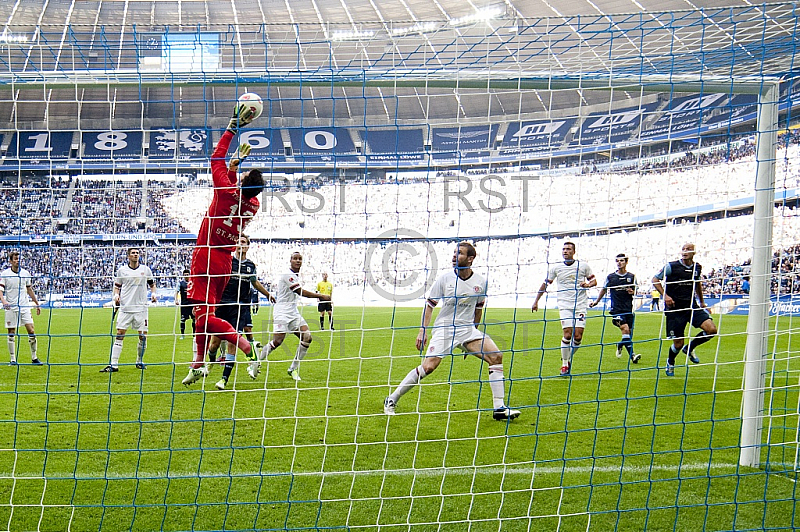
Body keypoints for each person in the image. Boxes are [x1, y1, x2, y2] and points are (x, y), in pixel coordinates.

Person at [383, 242, 520, 421]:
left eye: (460, 253)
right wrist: (422, 331)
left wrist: (473, 335)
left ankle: (499, 408)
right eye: (454, 253)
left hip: (467, 330)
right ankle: (391, 399)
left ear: (470, 259)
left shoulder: (481, 282)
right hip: (445, 330)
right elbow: (430, 306)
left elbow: (478, 309)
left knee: (496, 356)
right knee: (428, 367)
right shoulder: (445, 279)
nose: (455, 256)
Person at [181, 103, 265, 386]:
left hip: (205, 258)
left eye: (240, 178)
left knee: (204, 319)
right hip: (225, 263)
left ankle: (246, 346)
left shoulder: (226, 192)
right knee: (201, 316)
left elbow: (215, 157)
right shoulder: (253, 205)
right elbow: (236, 194)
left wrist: (232, 129)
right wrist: (233, 171)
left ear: (241, 184)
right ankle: (198, 365)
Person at [248, 252, 330, 382]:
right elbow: (300, 291)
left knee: (307, 337)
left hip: (293, 312)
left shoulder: (296, 276)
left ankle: (293, 369)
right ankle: (256, 361)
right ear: (290, 260)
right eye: (295, 258)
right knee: (278, 341)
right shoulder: (288, 275)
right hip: (282, 312)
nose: (297, 261)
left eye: (300, 259)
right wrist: (321, 296)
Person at [207, 235, 274, 390]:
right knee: (214, 344)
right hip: (222, 306)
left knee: (232, 342)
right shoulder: (227, 262)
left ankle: (224, 379)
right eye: (238, 242)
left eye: (243, 242)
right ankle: (210, 362)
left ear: (248, 246)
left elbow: (254, 282)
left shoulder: (250, 265)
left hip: (239, 308)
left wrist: (267, 294)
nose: (240, 244)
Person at [652, 243, 718, 377]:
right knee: (678, 343)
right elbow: (655, 279)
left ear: (694, 252)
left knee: (711, 330)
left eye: (688, 249)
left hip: (691, 306)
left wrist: (702, 302)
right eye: (683, 249)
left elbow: (697, 284)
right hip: (675, 309)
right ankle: (670, 361)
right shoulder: (671, 266)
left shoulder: (697, 267)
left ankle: (690, 348)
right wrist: (665, 295)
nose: (685, 251)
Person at [531, 241, 596, 376]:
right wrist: (536, 300)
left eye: (568, 249)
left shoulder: (583, 266)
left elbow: (594, 281)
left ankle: (567, 356)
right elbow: (545, 284)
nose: (565, 251)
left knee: (578, 337)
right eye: (564, 249)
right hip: (564, 305)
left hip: (580, 305)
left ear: (574, 251)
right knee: (567, 333)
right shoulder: (556, 268)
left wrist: (588, 285)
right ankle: (565, 364)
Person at [101, 247, 156, 372]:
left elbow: (152, 285)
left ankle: (139, 361)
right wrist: (116, 295)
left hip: (141, 308)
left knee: (143, 336)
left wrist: (153, 294)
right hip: (126, 308)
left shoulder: (145, 270)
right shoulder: (122, 271)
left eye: (137, 253)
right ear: (128, 256)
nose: (136, 255)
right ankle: (114, 364)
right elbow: (117, 287)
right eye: (133, 253)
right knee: (120, 334)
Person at [589, 253, 641, 363]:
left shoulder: (632, 277)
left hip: (628, 310)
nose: (619, 263)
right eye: (617, 261)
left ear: (626, 262)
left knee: (628, 335)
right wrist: (596, 302)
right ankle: (633, 356)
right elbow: (603, 289)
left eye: (622, 261)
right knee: (625, 329)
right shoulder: (611, 277)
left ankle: (620, 344)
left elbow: (636, 290)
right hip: (616, 310)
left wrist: (633, 292)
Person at [0, 251, 42, 365]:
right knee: (11, 333)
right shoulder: (5, 274)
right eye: (15, 259)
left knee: (32, 331)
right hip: (11, 307)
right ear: (10, 261)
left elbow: (29, 289)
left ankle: (34, 358)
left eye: (18, 259)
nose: (17, 260)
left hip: (24, 306)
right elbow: (0, 291)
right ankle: (13, 359)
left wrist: (36, 303)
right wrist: (3, 301)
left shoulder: (25, 273)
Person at [176, 269, 195, 341]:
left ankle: (194, 335)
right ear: (183, 275)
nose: (186, 276)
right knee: (183, 320)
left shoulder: (193, 283)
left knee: (194, 320)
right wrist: (176, 300)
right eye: (185, 275)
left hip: (192, 304)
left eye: (188, 274)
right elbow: (177, 292)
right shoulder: (180, 283)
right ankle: (182, 335)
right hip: (184, 305)